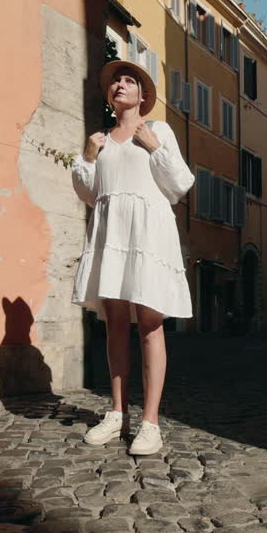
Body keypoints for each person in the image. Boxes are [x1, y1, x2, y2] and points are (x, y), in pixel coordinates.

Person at [70, 60, 194, 455]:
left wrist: (155, 149)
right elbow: (91, 194)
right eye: (116, 82)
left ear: (143, 95)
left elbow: (180, 185)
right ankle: (116, 414)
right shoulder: (101, 140)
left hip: (148, 236)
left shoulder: (158, 130)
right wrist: (89, 157)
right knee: (116, 327)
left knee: (151, 327)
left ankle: (151, 423)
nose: (120, 85)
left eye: (129, 81)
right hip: (112, 237)